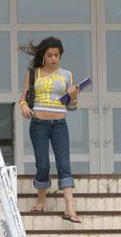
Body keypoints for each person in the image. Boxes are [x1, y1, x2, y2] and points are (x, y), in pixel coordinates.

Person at [19, 37, 81, 224]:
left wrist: (73, 97)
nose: (53, 58)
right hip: (38, 123)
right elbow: (23, 97)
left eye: (57, 55)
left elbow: (71, 107)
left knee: (64, 163)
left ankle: (70, 207)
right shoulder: (33, 74)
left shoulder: (67, 75)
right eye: (50, 55)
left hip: (59, 125)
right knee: (43, 163)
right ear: (43, 56)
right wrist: (23, 106)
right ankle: (41, 199)